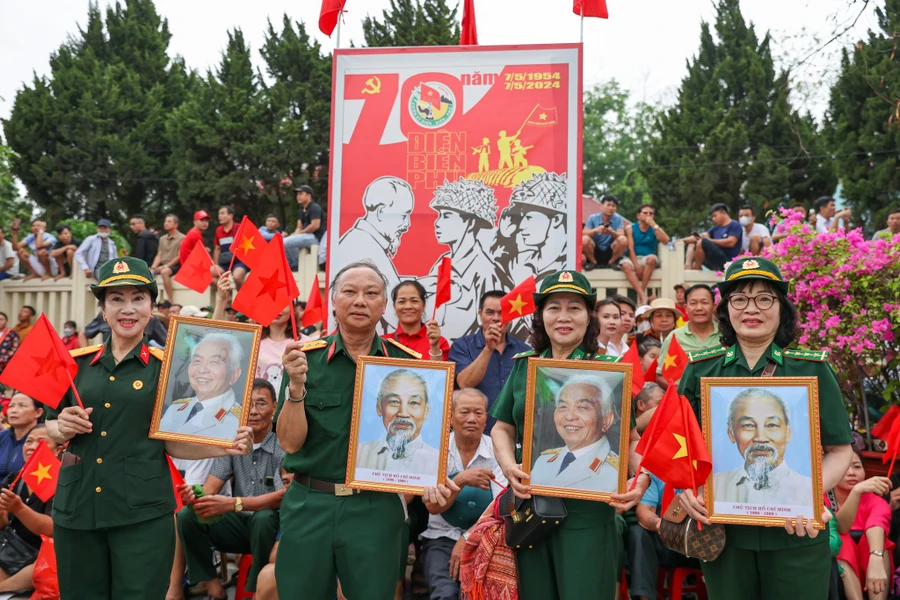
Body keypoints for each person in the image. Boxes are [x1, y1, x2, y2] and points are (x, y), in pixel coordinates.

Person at [44, 256, 252, 600]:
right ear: (103, 309)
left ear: (152, 307)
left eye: (138, 298)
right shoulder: (75, 366)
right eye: (117, 299)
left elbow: (172, 444)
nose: (128, 308)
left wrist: (224, 446)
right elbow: (49, 428)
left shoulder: (167, 371)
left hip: (141, 514)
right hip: (77, 510)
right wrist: (59, 427)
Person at [676, 256, 853, 600]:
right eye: (739, 299)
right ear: (726, 309)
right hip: (723, 534)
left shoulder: (811, 369)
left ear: (781, 308)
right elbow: (678, 443)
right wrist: (686, 487)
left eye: (764, 298)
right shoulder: (701, 370)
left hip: (796, 533)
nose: (751, 308)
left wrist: (809, 494)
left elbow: (840, 449)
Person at [489, 270, 650, 600]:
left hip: (589, 513)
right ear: (541, 316)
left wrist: (641, 477)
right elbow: (502, 427)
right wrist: (509, 467)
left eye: (574, 307)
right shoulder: (524, 365)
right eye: (554, 307)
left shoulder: (608, 371)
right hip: (531, 509)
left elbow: (631, 439)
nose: (563, 317)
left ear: (589, 317)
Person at [274, 260, 425, 599]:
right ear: (333, 300)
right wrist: (296, 388)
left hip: (375, 507)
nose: (360, 301)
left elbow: (418, 446)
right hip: (310, 502)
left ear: (384, 305)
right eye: (350, 292)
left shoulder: (408, 365)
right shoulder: (303, 360)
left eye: (371, 293)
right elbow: (289, 443)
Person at [176, 379, 284, 599]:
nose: (253, 411)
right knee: (188, 515)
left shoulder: (282, 443)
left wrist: (235, 503)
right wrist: (195, 497)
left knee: (264, 519)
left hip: (271, 531)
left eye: (261, 404)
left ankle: (256, 590)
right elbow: (209, 489)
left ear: (274, 407)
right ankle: (213, 584)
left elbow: (283, 497)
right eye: (248, 405)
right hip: (238, 525)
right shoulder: (233, 442)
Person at [420, 389, 506, 600]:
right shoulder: (435, 450)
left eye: (478, 413)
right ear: (449, 417)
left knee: (473, 594)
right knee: (445, 594)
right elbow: (433, 506)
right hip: (440, 536)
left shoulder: (497, 450)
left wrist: (467, 538)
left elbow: (502, 505)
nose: (471, 419)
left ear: (487, 419)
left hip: (483, 540)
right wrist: (461, 479)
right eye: (464, 412)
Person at [427, 178, 502, 340]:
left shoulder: (485, 271)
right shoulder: (443, 262)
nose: (437, 223)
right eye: (439, 215)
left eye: (447, 216)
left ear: (469, 222)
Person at [713, 388, 814, 505]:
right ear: (731, 432)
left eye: (772, 425)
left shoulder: (808, 490)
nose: (760, 438)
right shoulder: (714, 487)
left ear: (788, 433)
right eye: (748, 425)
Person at [451, 290, 531, 432]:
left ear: (511, 316)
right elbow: (464, 383)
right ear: (480, 314)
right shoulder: (462, 346)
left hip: (513, 436)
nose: (496, 318)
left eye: (501, 312)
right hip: (476, 435)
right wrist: (488, 348)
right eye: (490, 312)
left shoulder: (525, 351)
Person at [529, 376, 620, 492]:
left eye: (582, 407)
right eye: (563, 407)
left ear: (606, 421)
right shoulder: (543, 461)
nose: (569, 416)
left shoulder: (615, 473)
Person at [0, 424, 61, 593]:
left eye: (41, 442)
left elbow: (52, 529)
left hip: (38, 556)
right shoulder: (15, 477)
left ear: (58, 450)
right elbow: (3, 523)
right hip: (9, 547)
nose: (32, 446)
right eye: (29, 441)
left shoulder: (61, 482)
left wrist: (19, 508)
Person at [628, 472, 700, 600]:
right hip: (665, 539)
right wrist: (659, 524)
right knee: (638, 532)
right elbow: (644, 511)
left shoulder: (705, 467)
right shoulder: (653, 473)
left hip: (698, 542)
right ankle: (645, 597)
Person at [355, 368, 440, 477]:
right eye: (394, 402)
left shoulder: (437, 461)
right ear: (379, 407)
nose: (403, 413)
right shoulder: (359, 454)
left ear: (426, 411)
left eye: (413, 402)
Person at [832, 450, 893, 600]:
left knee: (879, 543)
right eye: (845, 467)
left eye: (857, 467)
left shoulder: (876, 501)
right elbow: (840, 527)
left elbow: (877, 523)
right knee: (841, 539)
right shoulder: (823, 500)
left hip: (875, 571)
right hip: (839, 576)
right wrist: (856, 491)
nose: (851, 472)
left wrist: (876, 556)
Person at [158, 333, 244, 439]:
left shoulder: (240, 423)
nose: (202, 369)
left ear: (234, 375)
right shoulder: (174, 409)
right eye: (197, 361)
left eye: (214, 362)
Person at [656, 284, 720, 390]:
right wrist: (681, 391)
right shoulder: (674, 337)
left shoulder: (726, 335)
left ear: (713, 306)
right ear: (685, 308)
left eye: (704, 303)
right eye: (693, 303)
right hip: (684, 402)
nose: (699, 308)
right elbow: (660, 376)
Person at [384, 280, 450, 361]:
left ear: (423, 306)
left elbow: (440, 373)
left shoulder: (440, 343)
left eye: (414, 301)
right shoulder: (383, 343)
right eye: (402, 301)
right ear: (394, 307)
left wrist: (434, 347)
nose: (408, 306)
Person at [621, 204, 670, 305]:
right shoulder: (630, 228)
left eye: (651, 213)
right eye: (645, 213)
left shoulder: (654, 229)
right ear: (638, 215)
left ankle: (641, 293)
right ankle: (643, 295)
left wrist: (654, 225)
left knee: (651, 259)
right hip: (633, 257)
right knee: (625, 265)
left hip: (647, 258)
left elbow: (666, 240)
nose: (648, 215)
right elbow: (630, 247)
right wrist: (636, 265)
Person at [682, 203, 742, 271]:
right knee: (693, 242)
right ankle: (688, 266)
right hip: (715, 260)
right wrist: (682, 240)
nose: (713, 219)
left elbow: (731, 242)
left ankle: (696, 268)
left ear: (723, 213)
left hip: (727, 262)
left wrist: (710, 240)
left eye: (715, 216)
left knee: (702, 242)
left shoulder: (734, 225)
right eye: (712, 217)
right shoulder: (715, 228)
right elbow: (699, 237)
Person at [0, 393, 43, 481]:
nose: (13, 410)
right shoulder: (2, 436)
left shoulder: (45, 440)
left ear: (38, 412)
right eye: (11, 406)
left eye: (22, 406)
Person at [283, 184, 326, 270]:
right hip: (306, 236)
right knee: (283, 241)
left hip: (316, 237)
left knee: (287, 242)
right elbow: (299, 227)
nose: (298, 196)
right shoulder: (301, 210)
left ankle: (295, 265)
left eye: (301, 194)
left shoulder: (314, 207)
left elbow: (315, 226)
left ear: (309, 195)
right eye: (297, 194)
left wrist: (299, 233)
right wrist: (294, 234)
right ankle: (290, 265)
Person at [582, 195, 626, 271]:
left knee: (623, 239)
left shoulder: (618, 219)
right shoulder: (593, 218)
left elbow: (621, 235)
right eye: (608, 205)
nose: (611, 208)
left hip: (610, 250)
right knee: (584, 239)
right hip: (595, 250)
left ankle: (612, 262)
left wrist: (611, 232)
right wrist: (596, 230)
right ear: (601, 206)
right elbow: (584, 233)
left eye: (613, 206)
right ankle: (593, 262)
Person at [150, 214, 186, 303]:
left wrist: (165, 266)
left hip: (176, 265)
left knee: (164, 272)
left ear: (176, 224)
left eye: (169, 221)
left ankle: (170, 300)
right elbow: (159, 255)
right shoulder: (162, 239)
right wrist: (153, 267)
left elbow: (179, 256)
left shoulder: (182, 238)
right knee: (147, 271)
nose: (166, 223)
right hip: (163, 264)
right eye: (165, 221)